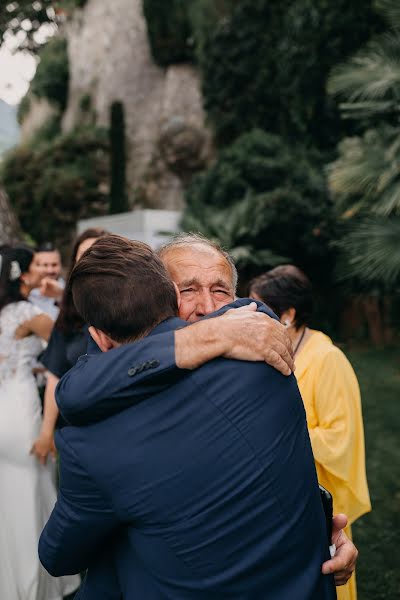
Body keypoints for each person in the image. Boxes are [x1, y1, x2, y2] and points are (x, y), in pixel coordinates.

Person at [39, 234, 337, 599]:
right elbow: (79, 387)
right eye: (188, 291)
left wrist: (321, 520)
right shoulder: (104, 396)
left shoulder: (261, 341)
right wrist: (193, 341)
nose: (207, 310)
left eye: (221, 291)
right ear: (160, 296)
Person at [249, 264, 371, 600]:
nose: (250, 315)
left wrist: (275, 436)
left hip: (319, 502)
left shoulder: (328, 359)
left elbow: (340, 439)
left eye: (259, 308)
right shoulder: (270, 353)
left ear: (287, 314)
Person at [0, 245, 80, 600]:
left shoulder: (5, 314)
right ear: (21, 274)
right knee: (33, 494)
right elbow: (68, 343)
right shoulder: (30, 314)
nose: (42, 271)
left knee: (8, 498)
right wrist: (62, 297)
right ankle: (38, 585)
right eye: (36, 265)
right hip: (21, 413)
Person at [30, 228, 108, 465]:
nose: (90, 261)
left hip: (114, 425)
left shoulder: (130, 309)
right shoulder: (70, 310)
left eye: (99, 253)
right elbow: (55, 371)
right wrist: (46, 433)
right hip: (74, 429)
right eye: (83, 255)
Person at [29, 242, 64, 319]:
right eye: (45, 265)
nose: (50, 270)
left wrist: (61, 296)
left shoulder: (71, 290)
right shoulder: (27, 292)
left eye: (54, 265)